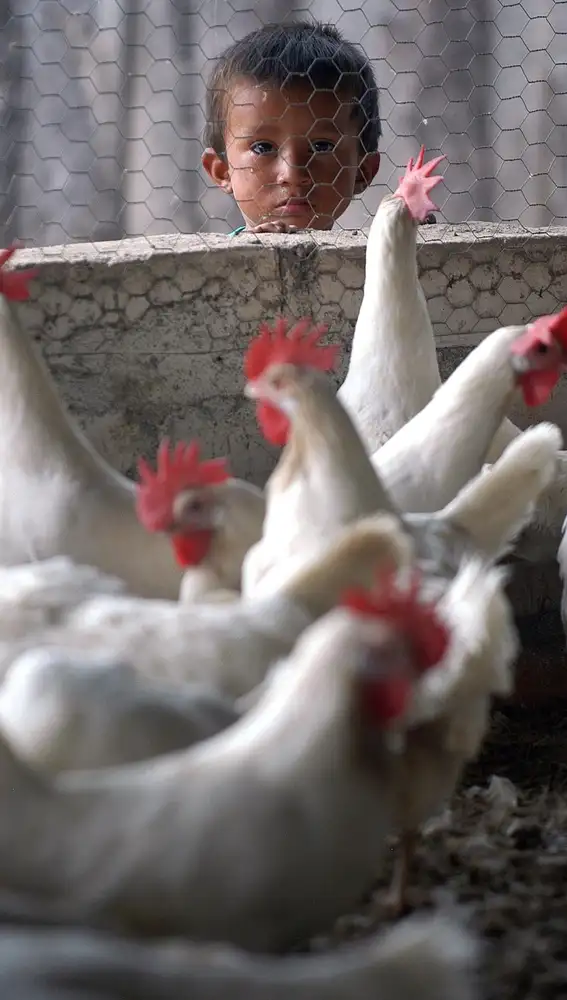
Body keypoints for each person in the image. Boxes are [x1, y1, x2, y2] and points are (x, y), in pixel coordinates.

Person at [201, 20, 381, 234]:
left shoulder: (368, 254)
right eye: (263, 147)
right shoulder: (221, 254)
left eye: (322, 146)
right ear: (222, 170)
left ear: (362, 171)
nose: (293, 174)